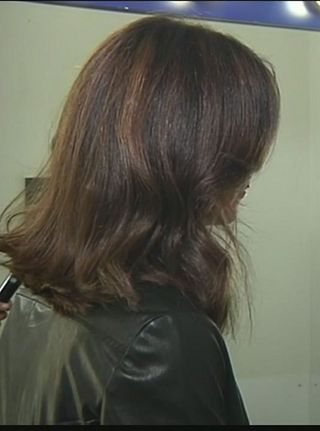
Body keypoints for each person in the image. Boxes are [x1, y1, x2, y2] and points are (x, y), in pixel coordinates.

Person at [0, 15, 280, 424]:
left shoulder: (33, 298)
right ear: (184, 153)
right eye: (243, 149)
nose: (252, 170)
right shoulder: (160, 338)